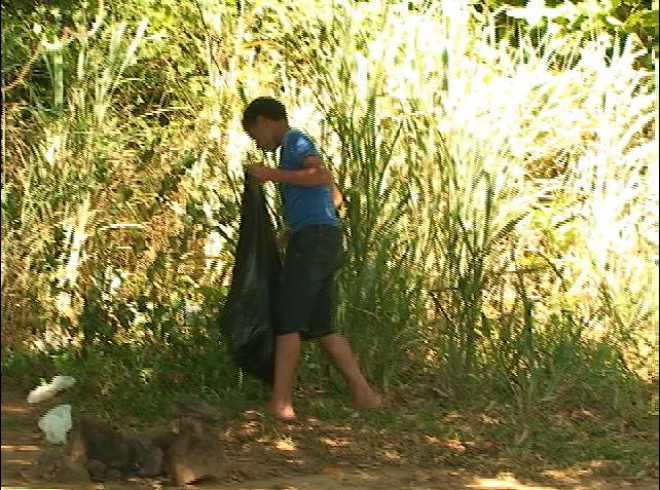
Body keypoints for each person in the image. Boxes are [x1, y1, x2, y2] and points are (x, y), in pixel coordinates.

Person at [242, 96, 380, 421]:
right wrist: (296, 229)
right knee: (322, 326)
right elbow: (334, 196)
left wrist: (271, 174)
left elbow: (320, 175)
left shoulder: (294, 139)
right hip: (323, 237)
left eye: (255, 135)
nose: (259, 144)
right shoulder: (292, 147)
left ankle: (281, 403)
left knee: (287, 319)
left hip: (316, 240)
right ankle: (365, 394)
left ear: (265, 121)